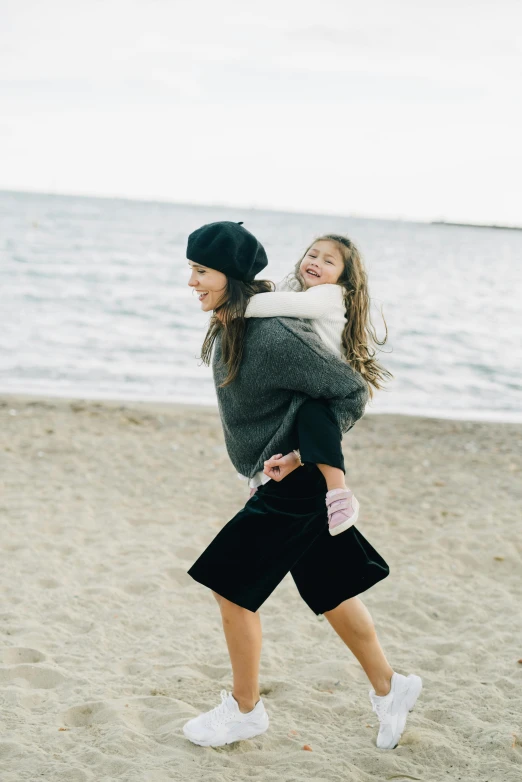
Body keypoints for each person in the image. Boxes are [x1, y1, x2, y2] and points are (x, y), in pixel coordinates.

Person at [183, 220, 422, 750]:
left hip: (299, 485)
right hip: (288, 482)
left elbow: (349, 391)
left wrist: (299, 455)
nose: (192, 282)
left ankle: (245, 709)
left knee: (231, 586)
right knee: (333, 590)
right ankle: (390, 688)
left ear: (231, 275)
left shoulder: (272, 332)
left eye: (201, 271)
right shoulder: (241, 321)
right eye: (192, 270)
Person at [242, 233, 391, 536]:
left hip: (330, 390)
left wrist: (233, 305)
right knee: (284, 428)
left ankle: (339, 493)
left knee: (311, 413)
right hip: (309, 385)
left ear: (342, 277)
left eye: (328, 260)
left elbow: (274, 304)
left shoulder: (328, 295)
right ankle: (262, 483)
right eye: (313, 254)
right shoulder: (299, 290)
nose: (316, 262)